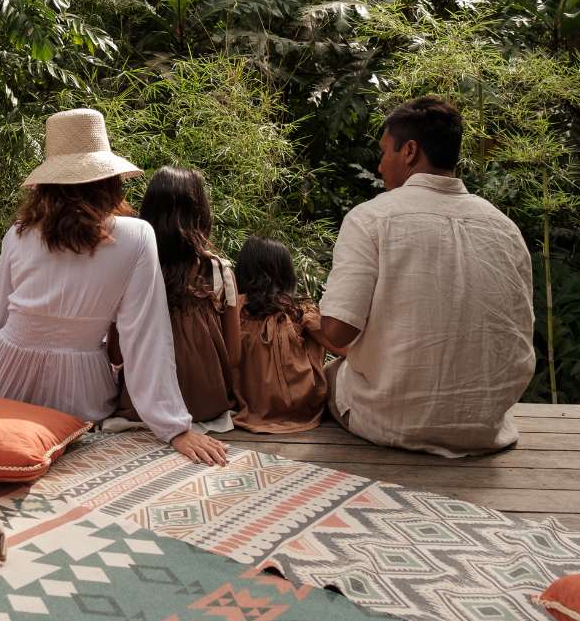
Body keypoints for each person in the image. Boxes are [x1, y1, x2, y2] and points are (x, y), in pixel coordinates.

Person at [0, 108, 228, 466]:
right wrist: (174, 426)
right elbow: (145, 334)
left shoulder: (18, 234)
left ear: (48, 182)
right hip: (80, 393)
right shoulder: (137, 236)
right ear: (110, 179)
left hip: (2, 381)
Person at [319, 96, 535, 457]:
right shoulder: (504, 227)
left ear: (409, 151)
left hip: (394, 419)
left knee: (327, 374)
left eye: (385, 151)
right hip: (484, 425)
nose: (380, 164)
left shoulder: (371, 218)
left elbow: (338, 331)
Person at [113, 167, 240, 430]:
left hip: (142, 405)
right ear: (201, 214)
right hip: (206, 404)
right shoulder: (219, 270)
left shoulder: (131, 268)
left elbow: (115, 352)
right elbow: (234, 355)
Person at [232, 236, 329, 434]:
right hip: (300, 409)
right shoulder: (300, 311)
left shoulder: (232, 308)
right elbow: (341, 347)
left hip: (244, 405)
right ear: (286, 273)